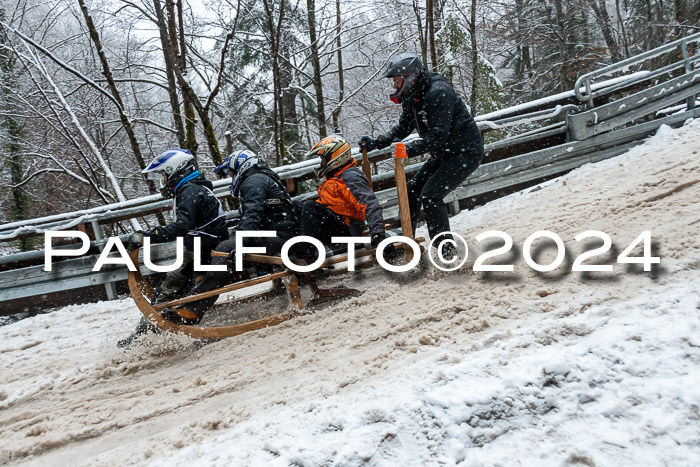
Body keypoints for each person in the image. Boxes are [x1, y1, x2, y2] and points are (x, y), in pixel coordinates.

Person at [359, 52, 484, 259]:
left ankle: (446, 251)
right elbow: (404, 127)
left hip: (465, 152)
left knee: (431, 195)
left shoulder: (439, 93)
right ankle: (405, 243)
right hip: (444, 153)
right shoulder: (413, 97)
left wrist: (409, 149)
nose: (394, 87)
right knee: (411, 192)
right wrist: (377, 142)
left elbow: (438, 136)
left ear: (410, 77)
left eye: (396, 81)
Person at [117, 148, 228, 348]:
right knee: (167, 288)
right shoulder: (193, 189)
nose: (164, 180)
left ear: (177, 171)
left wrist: (149, 235)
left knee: (166, 289)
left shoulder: (190, 191)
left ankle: (147, 335)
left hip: (202, 249)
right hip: (202, 246)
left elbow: (182, 226)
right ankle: (150, 331)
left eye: (165, 175)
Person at [182, 149, 300, 317]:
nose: (231, 176)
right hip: (278, 235)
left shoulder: (253, 181)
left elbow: (252, 216)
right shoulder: (256, 178)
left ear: (241, 166)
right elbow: (254, 219)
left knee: (224, 249)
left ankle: (194, 308)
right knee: (223, 246)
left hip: (281, 238)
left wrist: (238, 241)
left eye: (231, 172)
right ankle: (197, 294)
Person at [297, 134, 388, 257]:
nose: (321, 164)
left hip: (348, 229)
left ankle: (304, 254)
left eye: (323, 159)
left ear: (334, 158)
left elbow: (369, 203)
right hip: (337, 223)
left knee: (310, 206)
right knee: (297, 206)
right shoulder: (335, 176)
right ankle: (295, 247)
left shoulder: (349, 177)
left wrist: (378, 233)